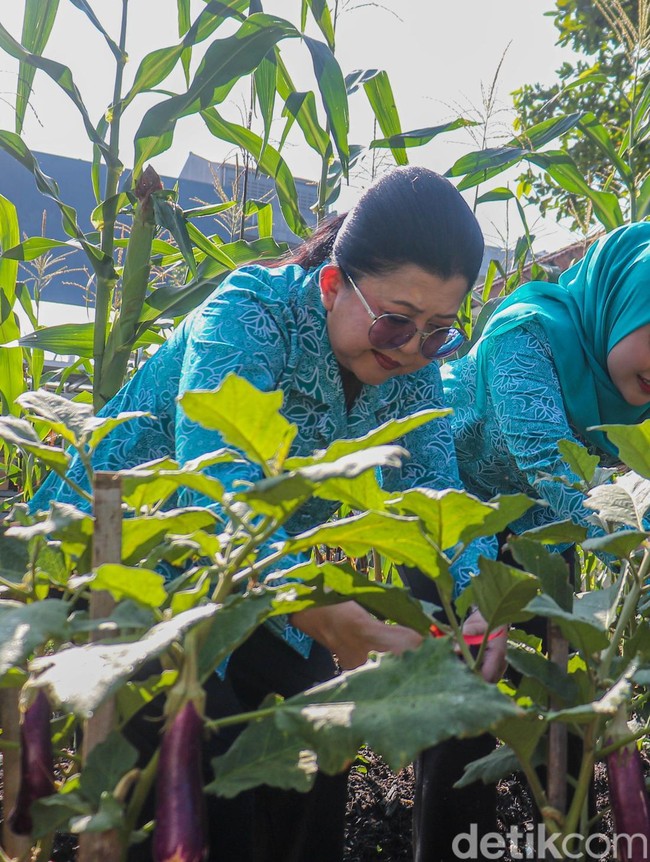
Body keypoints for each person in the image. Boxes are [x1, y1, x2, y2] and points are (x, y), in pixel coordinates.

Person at [30, 165, 502, 862]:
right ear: (335, 283)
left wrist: (476, 601)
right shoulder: (247, 312)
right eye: (397, 321)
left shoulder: (415, 375)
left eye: (438, 331)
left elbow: (440, 500)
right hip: (133, 567)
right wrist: (318, 610)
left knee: (314, 742)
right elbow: (214, 482)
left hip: (256, 578)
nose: (412, 349)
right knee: (201, 744)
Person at [408, 221, 650, 862]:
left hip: (549, 527)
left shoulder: (631, 380)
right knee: (460, 710)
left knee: (564, 709)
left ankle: (563, 840)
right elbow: (547, 460)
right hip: (452, 519)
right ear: (625, 301)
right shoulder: (530, 332)